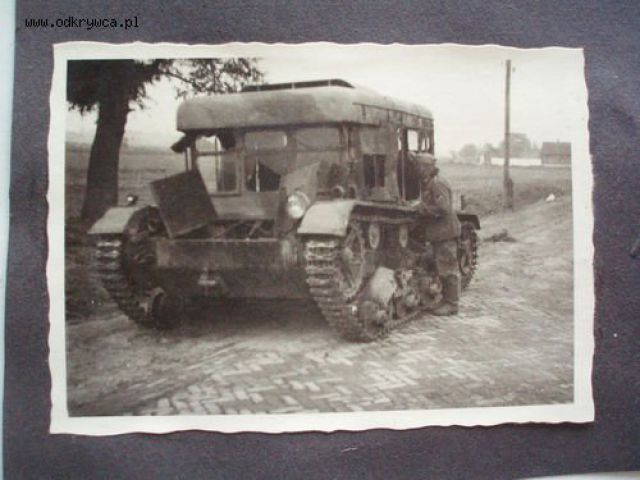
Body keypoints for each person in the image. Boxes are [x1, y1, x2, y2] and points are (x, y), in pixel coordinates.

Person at [411, 153, 462, 315]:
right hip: (439, 232)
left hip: (445, 232)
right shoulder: (430, 182)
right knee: (440, 266)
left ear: (428, 167)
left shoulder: (437, 183)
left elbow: (443, 208)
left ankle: (452, 304)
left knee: (447, 267)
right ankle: (445, 300)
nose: (418, 170)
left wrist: (420, 208)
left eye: (420, 167)